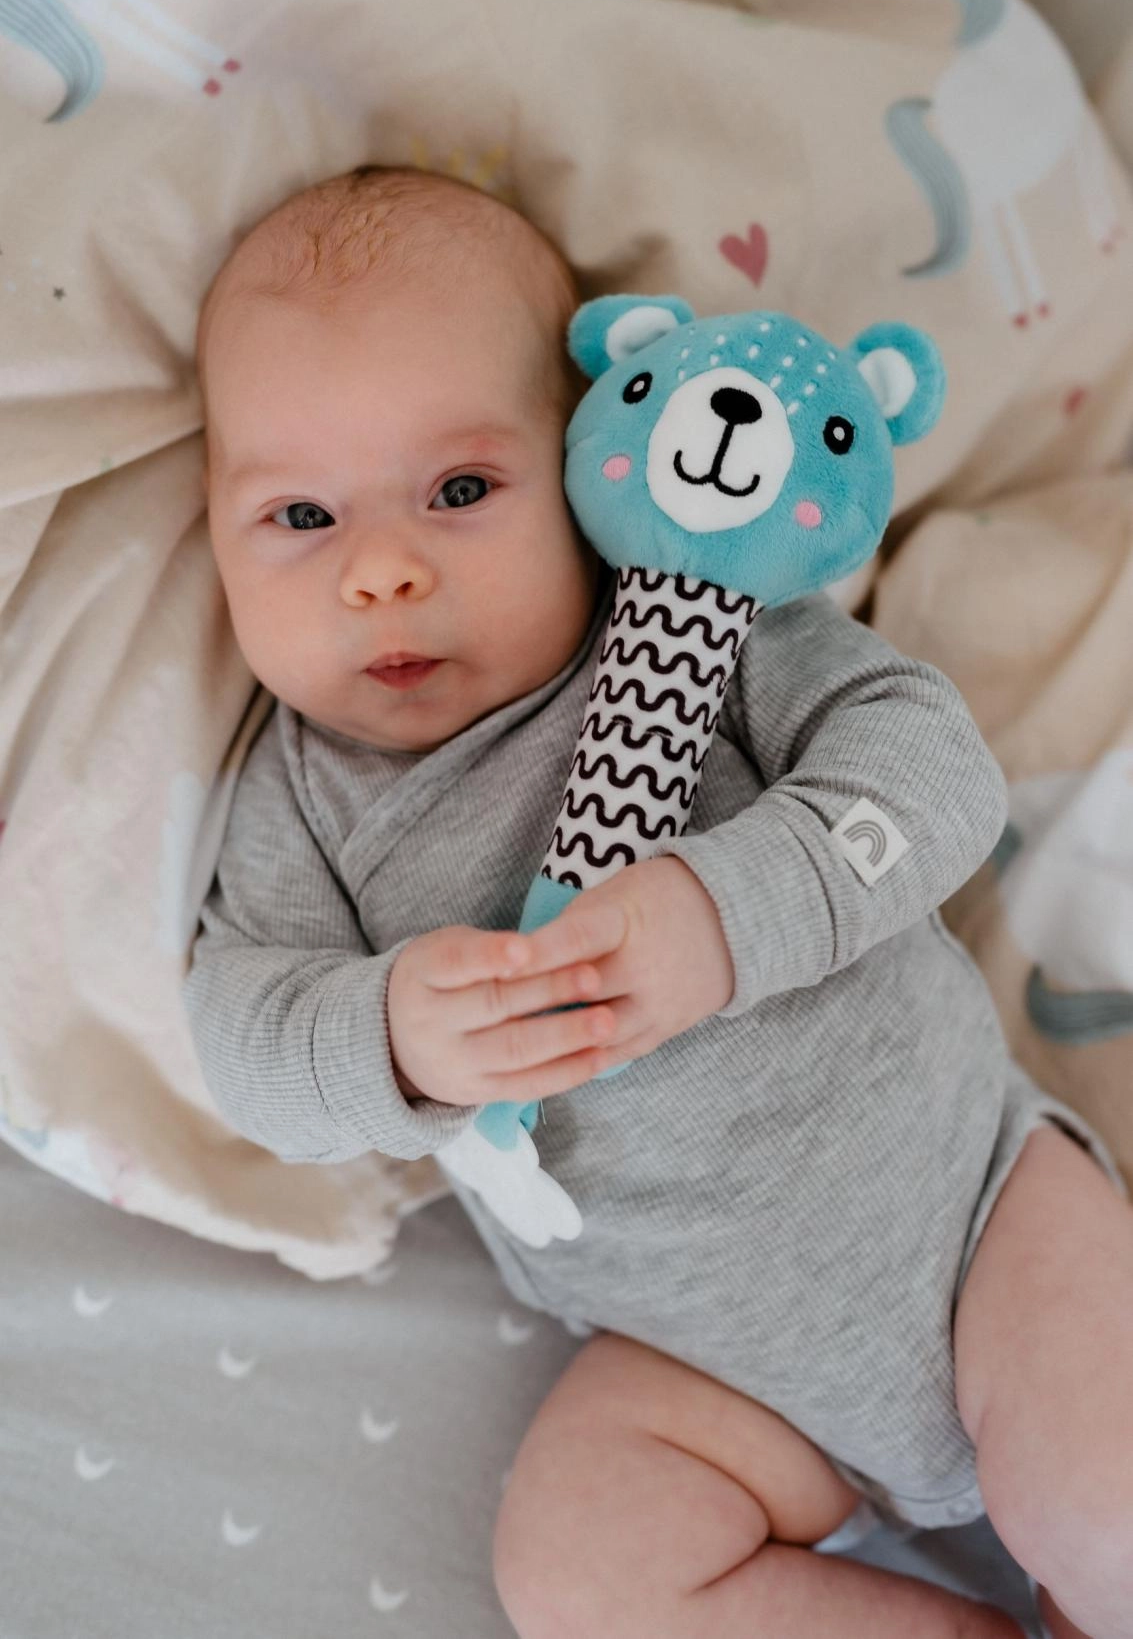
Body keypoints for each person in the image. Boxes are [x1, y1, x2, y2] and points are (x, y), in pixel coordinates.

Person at [184, 163, 1133, 1639]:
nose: (382, 571)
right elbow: (241, 1034)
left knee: (1109, 1513)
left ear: (580, 461)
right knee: (579, 1573)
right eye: (300, 514)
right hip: (706, 1369)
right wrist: (392, 1038)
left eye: (459, 492)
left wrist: (721, 913)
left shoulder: (702, 627)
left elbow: (933, 773)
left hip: (975, 1211)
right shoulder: (298, 800)